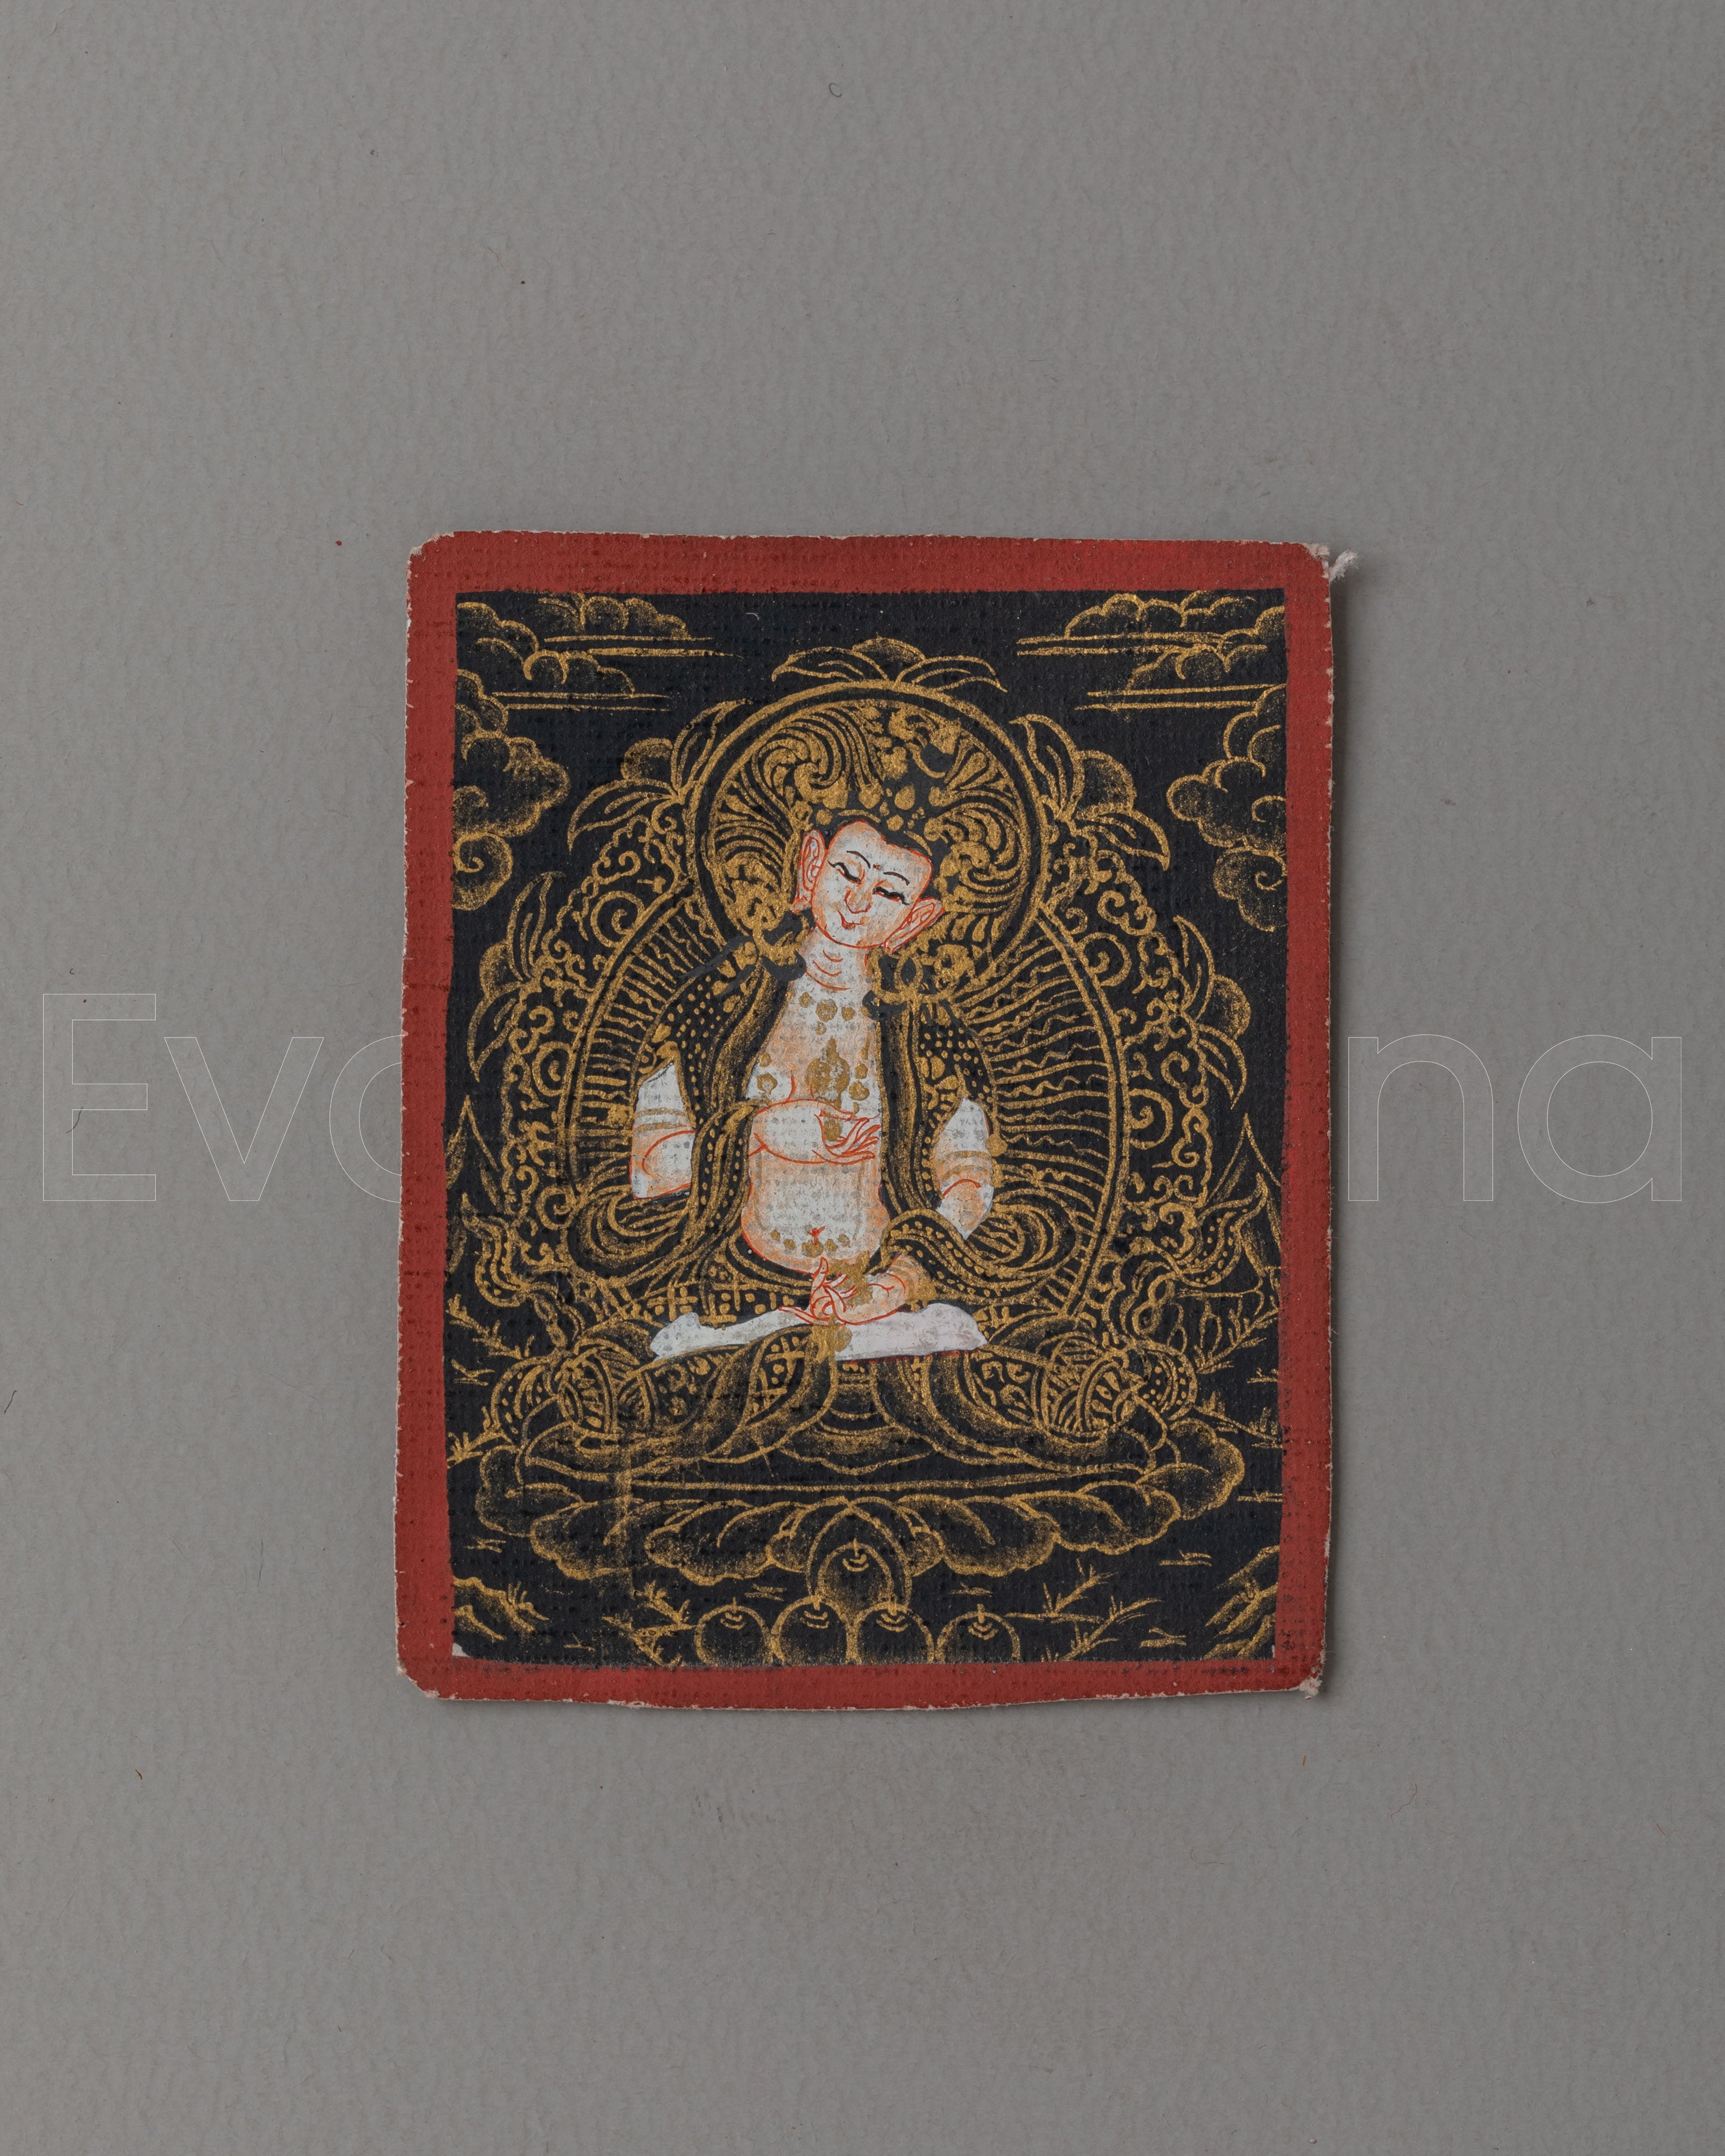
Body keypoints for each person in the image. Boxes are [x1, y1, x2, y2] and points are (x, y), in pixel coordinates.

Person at [625, 817, 998, 1362]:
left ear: (914, 918)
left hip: (874, 1300)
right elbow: (648, 1170)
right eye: (848, 872)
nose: (858, 902)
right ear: (811, 866)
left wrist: (895, 1282)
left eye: (889, 893)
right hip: (733, 1289)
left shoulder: (924, 1029)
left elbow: (969, 1183)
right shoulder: (723, 997)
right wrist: (760, 1131)